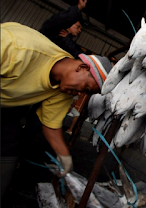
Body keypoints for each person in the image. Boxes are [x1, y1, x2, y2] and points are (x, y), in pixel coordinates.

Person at [1, 22, 112, 197]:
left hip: (6, 103)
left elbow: (51, 124)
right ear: (82, 68)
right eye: (86, 88)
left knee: (9, 144)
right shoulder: (18, 48)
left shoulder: (65, 90)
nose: (79, 94)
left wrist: (64, 156)